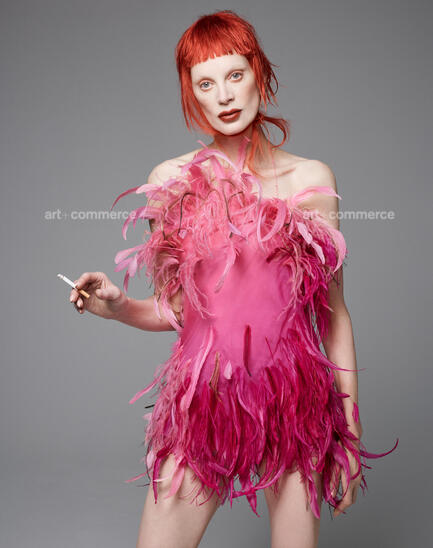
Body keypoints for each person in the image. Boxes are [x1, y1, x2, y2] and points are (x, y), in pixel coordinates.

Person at [69, 10, 398, 548]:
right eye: (205, 83)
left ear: (258, 73)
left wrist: (349, 435)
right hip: (205, 401)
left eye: (235, 75)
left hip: (295, 406)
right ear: (191, 93)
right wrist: (118, 306)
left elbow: (334, 316)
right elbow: (176, 311)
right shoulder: (171, 183)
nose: (223, 95)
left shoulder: (311, 179)